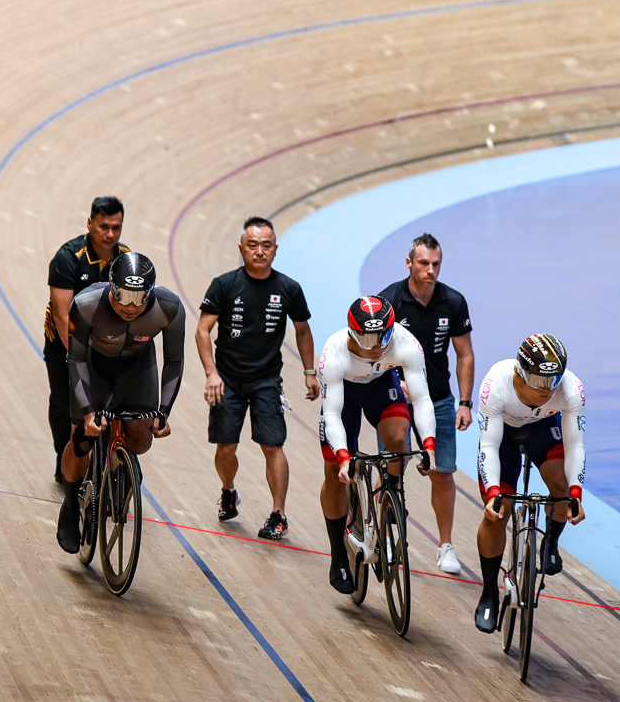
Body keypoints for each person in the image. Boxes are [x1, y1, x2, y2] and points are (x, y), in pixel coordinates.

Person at [195, 217, 316, 540]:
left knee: (273, 445)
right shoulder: (224, 284)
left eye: (266, 245)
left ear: (275, 250)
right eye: (252, 245)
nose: (259, 251)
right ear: (241, 248)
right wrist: (211, 374)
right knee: (225, 447)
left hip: (267, 381)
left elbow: (303, 330)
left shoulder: (288, 288)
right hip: (228, 380)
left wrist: (309, 373)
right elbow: (203, 330)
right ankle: (228, 490)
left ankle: (279, 514)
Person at [57, 253, 183, 553]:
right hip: (93, 366)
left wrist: (163, 412)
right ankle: (71, 505)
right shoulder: (86, 304)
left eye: (140, 298)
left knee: (140, 440)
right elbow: (74, 359)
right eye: (123, 295)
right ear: (111, 287)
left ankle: (126, 463)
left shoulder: (169, 307)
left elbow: (175, 360)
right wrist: (87, 412)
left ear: (151, 292)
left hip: (136, 368)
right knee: (82, 438)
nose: (130, 306)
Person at [316, 296, 436, 593]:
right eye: (366, 337)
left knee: (398, 438)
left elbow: (421, 399)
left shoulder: (405, 343)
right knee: (333, 472)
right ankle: (338, 554)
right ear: (352, 332)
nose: (375, 345)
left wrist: (430, 446)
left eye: (381, 336)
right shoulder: (333, 353)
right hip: (343, 394)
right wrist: (343, 456)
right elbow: (331, 413)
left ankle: (390, 494)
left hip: (380, 386)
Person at [470, 334, 586, 633]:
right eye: (538, 381)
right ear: (521, 373)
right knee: (498, 512)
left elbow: (575, 446)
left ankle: (550, 543)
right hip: (503, 438)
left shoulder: (572, 390)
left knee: (561, 488)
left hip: (542, 429)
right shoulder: (495, 385)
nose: (547, 390)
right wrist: (493, 492)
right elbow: (489, 446)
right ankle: (489, 592)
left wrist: (576, 492)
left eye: (553, 381)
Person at [376, 232, 475, 575]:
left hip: (439, 400)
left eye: (436, 264)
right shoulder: (388, 301)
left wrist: (464, 402)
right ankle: (384, 530)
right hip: (396, 399)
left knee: (443, 473)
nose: (430, 270)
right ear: (409, 263)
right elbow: (374, 350)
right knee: (390, 466)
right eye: (423, 263)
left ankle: (445, 545)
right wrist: (393, 378)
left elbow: (464, 354)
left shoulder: (453, 301)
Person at [43, 197, 130, 483]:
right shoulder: (68, 257)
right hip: (64, 343)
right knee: (64, 403)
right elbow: (61, 317)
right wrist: (83, 361)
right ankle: (64, 458)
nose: (110, 234)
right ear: (90, 223)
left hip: (105, 344)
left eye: (116, 228)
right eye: (103, 226)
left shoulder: (126, 260)